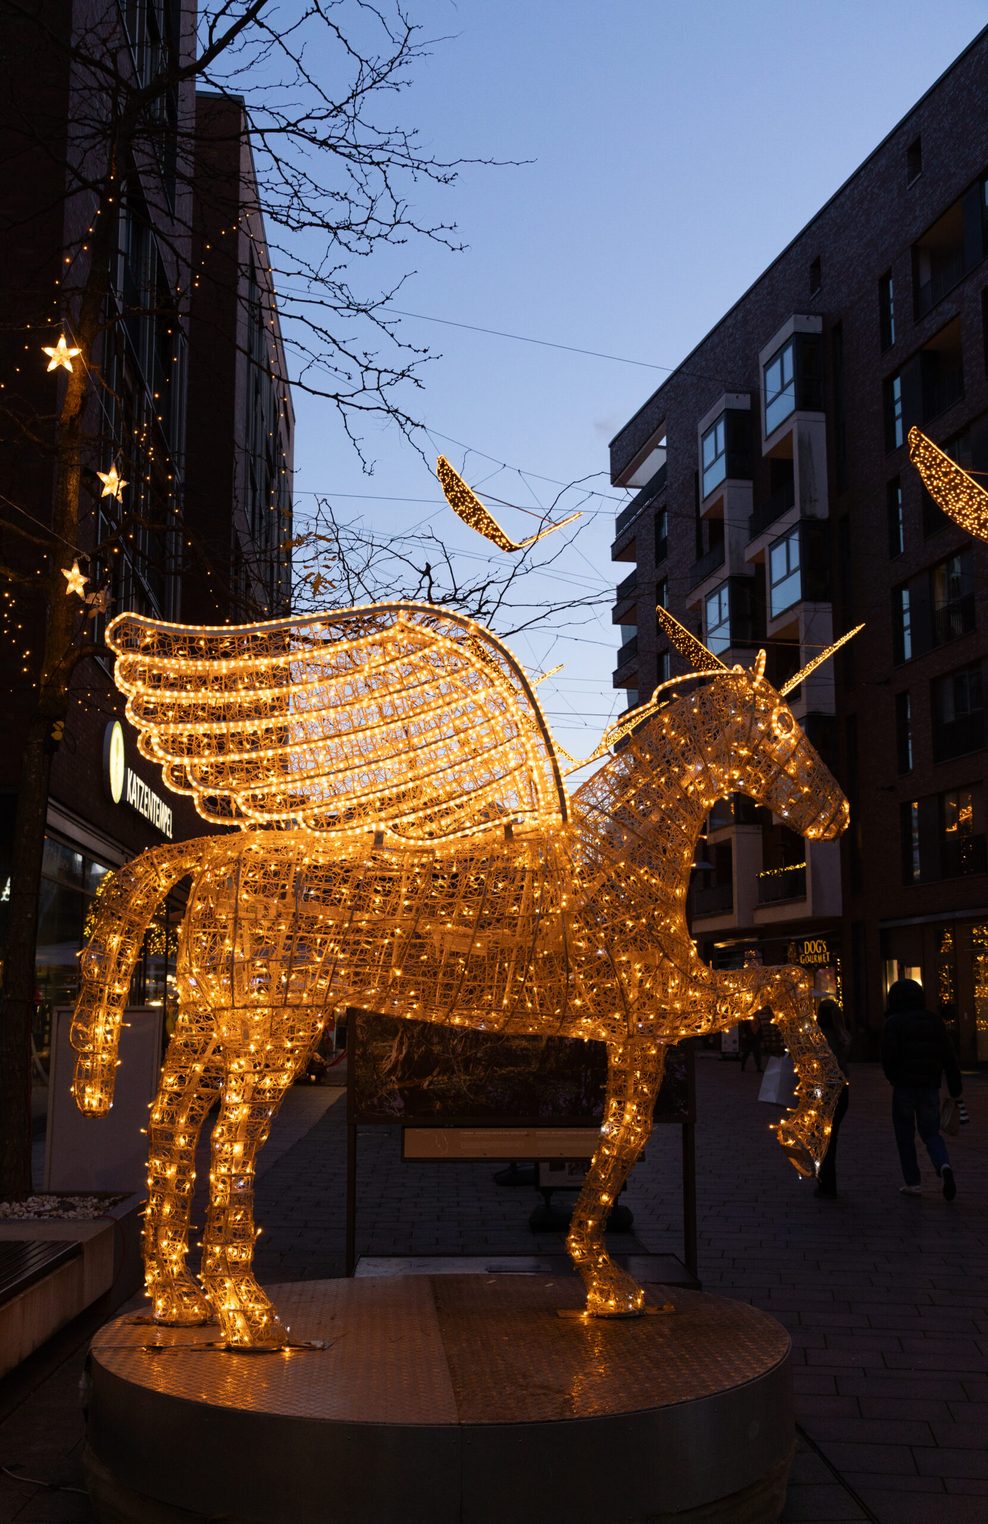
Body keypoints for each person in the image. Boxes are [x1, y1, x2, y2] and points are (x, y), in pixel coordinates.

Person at [881, 978, 963, 1200]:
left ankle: (913, 1182)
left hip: (904, 1086)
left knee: (905, 1134)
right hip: (929, 1086)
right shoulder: (934, 1022)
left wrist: (893, 1077)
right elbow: (949, 1056)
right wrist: (955, 1087)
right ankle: (943, 1164)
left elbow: (888, 1057)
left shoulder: (894, 1023)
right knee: (931, 1133)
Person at [814, 998, 851, 1198]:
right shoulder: (843, 1036)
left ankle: (826, 1184)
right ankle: (829, 1183)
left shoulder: (819, 1038)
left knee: (822, 1139)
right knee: (831, 1137)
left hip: (824, 1093)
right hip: (842, 1092)